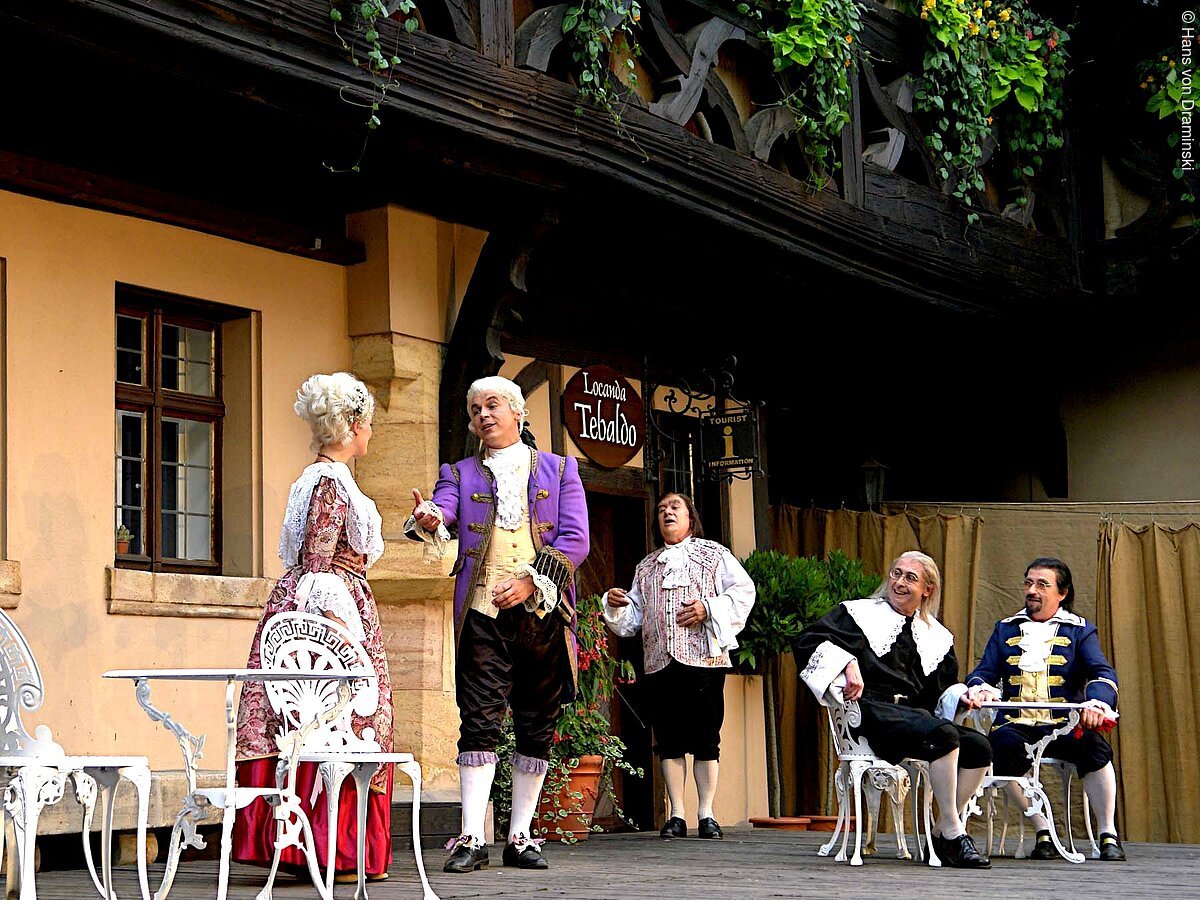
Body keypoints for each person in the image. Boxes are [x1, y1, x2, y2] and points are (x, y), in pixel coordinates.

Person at [406, 375, 588, 873]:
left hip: (544, 615)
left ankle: (521, 837)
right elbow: (441, 512)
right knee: (480, 720)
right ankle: (470, 837)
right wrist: (429, 519)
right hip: (483, 616)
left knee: (537, 723)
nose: (483, 415)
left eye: (492, 406)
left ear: (518, 413)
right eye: (475, 410)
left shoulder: (560, 469)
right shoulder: (458, 472)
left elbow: (575, 540)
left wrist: (532, 582)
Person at [233, 373, 392, 882]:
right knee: (337, 712)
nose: (371, 432)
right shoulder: (329, 482)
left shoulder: (323, 478)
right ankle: (334, 848)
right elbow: (321, 563)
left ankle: (309, 846)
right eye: (367, 423)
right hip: (330, 603)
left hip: (320, 595)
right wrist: (338, 633)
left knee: (310, 721)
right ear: (352, 424)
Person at [794, 550, 993, 868]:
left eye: (910, 578)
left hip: (914, 718)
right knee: (943, 735)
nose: (899, 582)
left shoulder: (936, 636)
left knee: (979, 747)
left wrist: (963, 696)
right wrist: (847, 662)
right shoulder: (857, 614)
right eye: (896, 573)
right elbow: (807, 641)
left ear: (927, 589)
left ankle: (942, 829)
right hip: (870, 713)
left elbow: (943, 690)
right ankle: (955, 834)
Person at [603, 492, 755, 840]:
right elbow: (631, 620)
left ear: (690, 517)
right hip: (659, 661)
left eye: (674, 508)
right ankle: (677, 814)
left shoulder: (714, 554)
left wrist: (709, 608)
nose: (666, 513)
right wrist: (615, 605)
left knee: (706, 738)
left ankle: (707, 813)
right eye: (661, 510)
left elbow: (744, 592)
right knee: (667, 740)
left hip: (704, 659)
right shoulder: (646, 566)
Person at [960, 557, 1125, 861]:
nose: (1032, 590)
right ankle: (1043, 830)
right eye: (1028, 583)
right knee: (995, 751)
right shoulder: (1005, 629)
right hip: (1015, 723)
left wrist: (1097, 703)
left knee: (1095, 749)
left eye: (1041, 584)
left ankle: (1107, 834)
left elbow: (1102, 673)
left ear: (1061, 593)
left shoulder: (1080, 631)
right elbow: (983, 671)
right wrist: (979, 688)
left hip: (1063, 723)